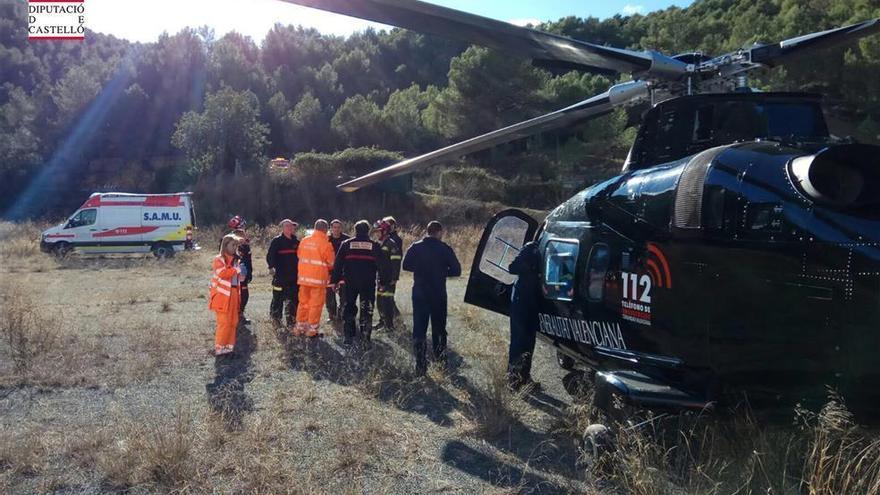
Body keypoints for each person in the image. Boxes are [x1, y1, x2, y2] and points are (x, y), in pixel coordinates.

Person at [402, 221, 461, 375]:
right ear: (439, 232)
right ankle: (441, 362)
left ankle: (420, 365)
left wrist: (421, 269)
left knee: (419, 329)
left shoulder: (415, 246)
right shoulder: (445, 248)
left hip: (420, 292)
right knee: (439, 328)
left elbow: (406, 266)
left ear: (427, 231)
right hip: (438, 293)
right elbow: (457, 270)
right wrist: (441, 272)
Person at [331, 220, 382, 346]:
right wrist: (383, 282)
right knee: (367, 308)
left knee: (349, 307)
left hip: (350, 282)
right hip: (368, 283)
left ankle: (349, 336)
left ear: (355, 230)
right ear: (368, 230)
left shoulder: (346, 244)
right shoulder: (374, 245)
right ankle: (365, 337)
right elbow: (382, 266)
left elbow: (338, 265)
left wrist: (334, 281)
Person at [507, 241, 541, 390]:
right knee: (518, 340)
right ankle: (513, 380)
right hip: (521, 300)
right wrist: (532, 268)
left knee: (529, 341)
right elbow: (512, 267)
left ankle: (525, 377)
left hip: (533, 301)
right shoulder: (530, 248)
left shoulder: (548, 249)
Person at [295, 219, 335, 337]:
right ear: (325, 229)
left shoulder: (304, 241)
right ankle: (312, 330)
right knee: (315, 305)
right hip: (318, 280)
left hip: (303, 279)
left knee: (303, 303)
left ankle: (299, 328)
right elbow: (331, 262)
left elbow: (299, 255)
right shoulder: (326, 244)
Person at [209, 234, 244, 356]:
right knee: (224, 323)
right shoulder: (218, 259)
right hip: (222, 297)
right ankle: (220, 349)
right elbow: (223, 273)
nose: (235, 247)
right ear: (225, 245)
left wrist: (241, 274)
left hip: (234, 294)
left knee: (233, 322)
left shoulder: (236, 261)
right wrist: (237, 270)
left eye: (236, 245)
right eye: (232, 245)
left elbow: (238, 277)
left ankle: (228, 348)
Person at [266, 219, 299, 328]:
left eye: (291, 226)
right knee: (278, 299)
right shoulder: (277, 241)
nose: (289, 228)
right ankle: (276, 320)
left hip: (294, 277)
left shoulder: (296, 242)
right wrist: (271, 267)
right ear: (282, 228)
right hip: (280, 276)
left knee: (293, 299)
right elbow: (270, 256)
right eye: (286, 226)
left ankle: (291, 321)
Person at [373, 219, 401, 332]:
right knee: (380, 300)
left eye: (378, 231)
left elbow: (396, 262)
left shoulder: (391, 244)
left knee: (387, 301)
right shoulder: (381, 244)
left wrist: (394, 278)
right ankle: (382, 322)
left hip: (389, 279)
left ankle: (389, 326)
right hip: (381, 278)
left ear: (384, 231)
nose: (376, 233)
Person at [326, 219, 350, 323]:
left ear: (341, 228)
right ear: (330, 228)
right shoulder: (326, 240)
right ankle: (332, 315)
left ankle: (341, 314)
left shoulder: (347, 240)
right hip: (329, 272)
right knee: (329, 296)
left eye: (338, 227)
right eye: (334, 227)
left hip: (343, 272)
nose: (336, 229)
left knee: (344, 296)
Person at [384, 216, 404, 321]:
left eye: (388, 224)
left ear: (393, 226)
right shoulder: (383, 238)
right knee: (383, 297)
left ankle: (396, 319)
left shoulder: (396, 239)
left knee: (388, 297)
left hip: (391, 273)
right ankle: (384, 320)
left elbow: (397, 259)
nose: (386, 227)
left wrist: (394, 276)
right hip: (383, 273)